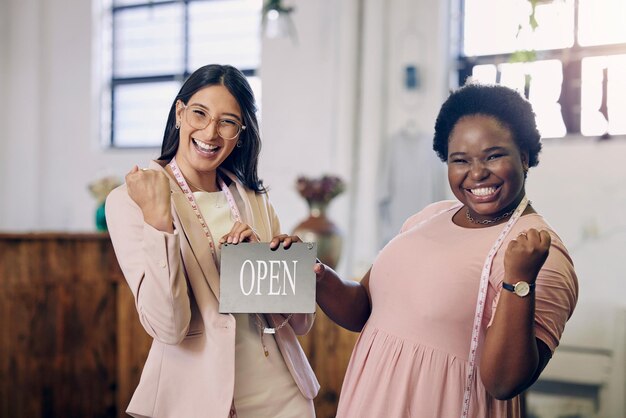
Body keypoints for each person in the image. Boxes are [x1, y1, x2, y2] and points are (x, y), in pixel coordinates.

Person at [313, 83, 578, 417]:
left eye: (493, 155)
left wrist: (519, 280)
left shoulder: (540, 251)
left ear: (523, 157)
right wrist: (320, 276)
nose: (477, 172)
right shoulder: (429, 217)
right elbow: (363, 310)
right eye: (460, 160)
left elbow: (504, 382)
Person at [105, 64, 319, 418]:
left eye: (228, 121)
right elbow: (168, 327)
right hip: (201, 400)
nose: (210, 131)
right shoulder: (130, 199)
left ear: (241, 131)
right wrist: (159, 223)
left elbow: (299, 325)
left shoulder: (253, 197)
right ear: (179, 113)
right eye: (199, 114)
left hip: (283, 396)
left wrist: (283, 266)